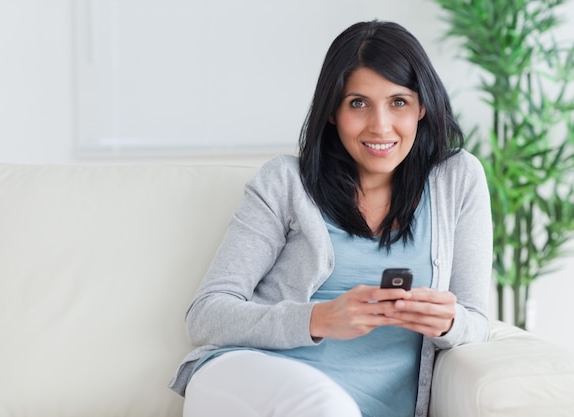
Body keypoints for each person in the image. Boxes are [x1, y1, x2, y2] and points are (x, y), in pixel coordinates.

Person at [169, 20, 492, 417]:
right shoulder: (285, 181)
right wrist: (318, 318)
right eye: (358, 103)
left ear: (422, 106)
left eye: (399, 102)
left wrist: (448, 322)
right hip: (251, 382)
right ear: (332, 112)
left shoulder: (457, 179)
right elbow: (205, 316)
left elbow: (476, 322)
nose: (380, 126)